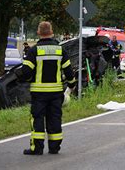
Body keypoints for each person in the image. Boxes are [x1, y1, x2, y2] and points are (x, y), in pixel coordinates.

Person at [16, 21, 76, 155]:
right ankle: (54, 148)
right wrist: (71, 85)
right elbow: (69, 72)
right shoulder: (60, 50)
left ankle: (37, 148)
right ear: (51, 32)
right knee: (55, 119)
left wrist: (27, 79)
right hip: (56, 93)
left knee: (37, 119)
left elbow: (25, 72)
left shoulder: (34, 50)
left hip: (39, 93)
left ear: (38, 32)